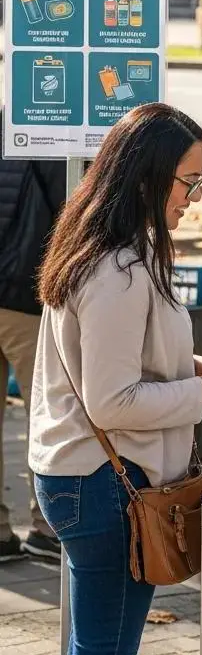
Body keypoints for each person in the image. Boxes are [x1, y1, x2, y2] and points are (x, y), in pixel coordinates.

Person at [29, 104, 202, 655]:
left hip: (99, 476)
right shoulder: (118, 269)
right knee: (105, 647)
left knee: (99, 643)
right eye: (189, 181)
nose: (194, 197)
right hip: (103, 481)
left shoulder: (117, 247)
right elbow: (112, 402)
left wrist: (193, 367)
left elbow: (120, 359)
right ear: (145, 177)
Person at [0, 118, 64, 561]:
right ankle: (47, 526)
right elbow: (70, 209)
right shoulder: (45, 128)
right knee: (46, 414)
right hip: (25, 295)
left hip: (18, 292)